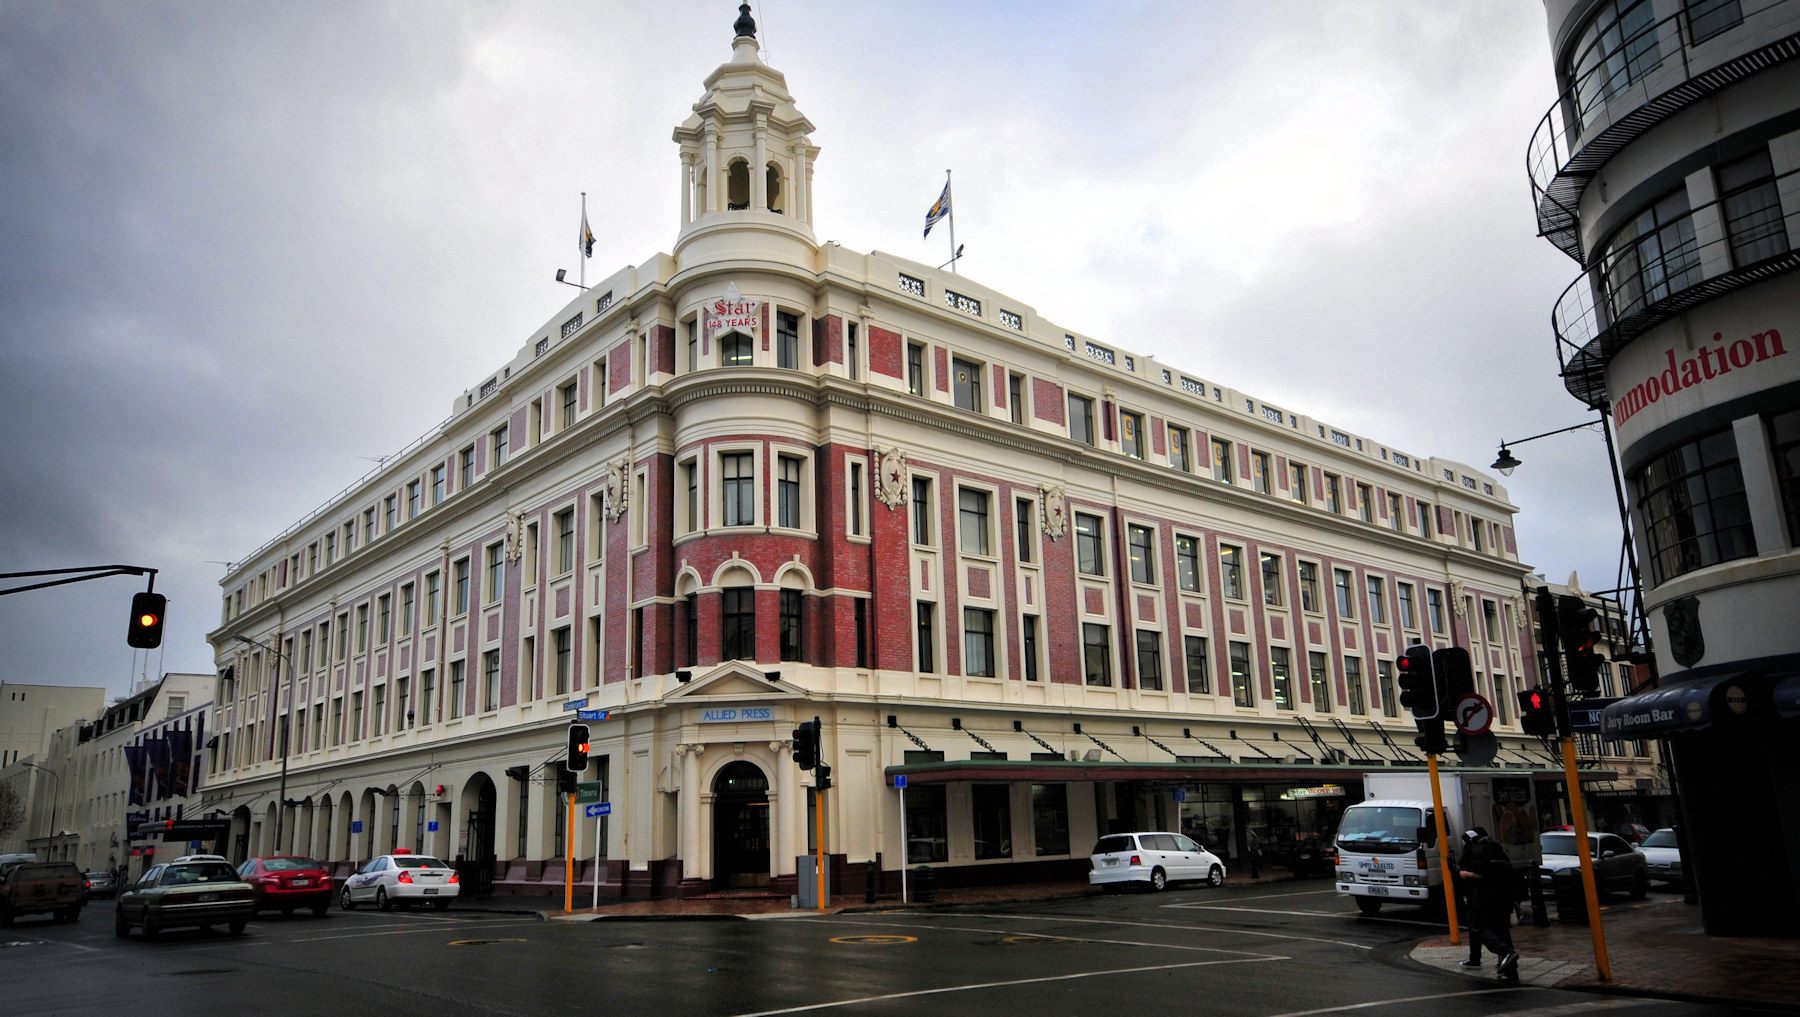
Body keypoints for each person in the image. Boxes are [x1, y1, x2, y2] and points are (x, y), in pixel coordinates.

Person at [1457, 827, 1520, 982]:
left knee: (1479, 927)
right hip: (1504, 896)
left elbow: (1479, 871)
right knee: (1502, 930)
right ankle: (1510, 970)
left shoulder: (1476, 851)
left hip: (1484, 896)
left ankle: (1505, 953)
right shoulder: (1498, 850)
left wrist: (1465, 874)